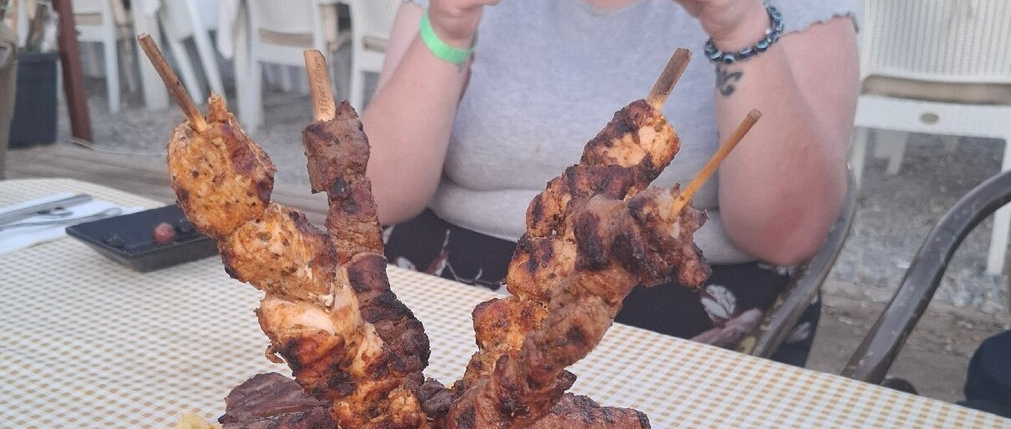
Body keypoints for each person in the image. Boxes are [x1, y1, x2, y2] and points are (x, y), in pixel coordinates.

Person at [360, 0, 859, 366]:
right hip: (441, 307)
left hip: (671, 334)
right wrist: (448, 26)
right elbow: (379, 194)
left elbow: (788, 234)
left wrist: (740, 28)